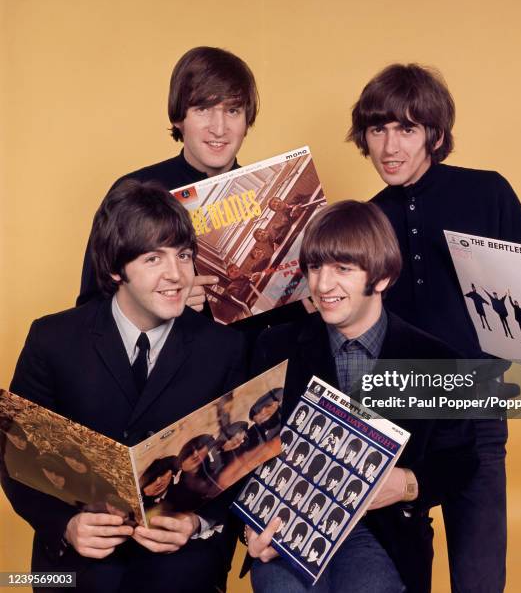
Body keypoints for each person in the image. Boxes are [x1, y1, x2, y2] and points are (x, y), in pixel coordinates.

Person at [347, 63, 521, 592]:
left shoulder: (487, 193)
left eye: (407, 128)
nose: (390, 145)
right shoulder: (366, 219)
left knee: (479, 577)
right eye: (378, 129)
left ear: (434, 134)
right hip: (393, 416)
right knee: (399, 575)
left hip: (475, 408)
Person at [1, 182, 246, 593]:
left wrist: (197, 523)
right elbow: (14, 456)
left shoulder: (225, 347)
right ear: (117, 269)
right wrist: (67, 526)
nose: (176, 275)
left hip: (180, 569)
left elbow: (240, 463)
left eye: (183, 255)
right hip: (73, 569)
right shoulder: (51, 338)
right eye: (153, 258)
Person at [245, 201, 478, 593]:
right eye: (316, 267)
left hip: (382, 531)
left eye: (343, 269)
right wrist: (252, 524)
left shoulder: (434, 359)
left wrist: (406, 483)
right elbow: (249, 451)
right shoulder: (275, 347)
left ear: (382, 277)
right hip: (290, 526)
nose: (322, 285)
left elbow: (460, 461)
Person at [77, 46, 305, 340]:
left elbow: (286, 320)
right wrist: (162, 301)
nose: (219, 128)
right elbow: (90, 307)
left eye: (233, 110)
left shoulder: (267, 194)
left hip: (246, 370)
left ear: (247, 121)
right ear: (178, 117)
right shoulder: (133, 192)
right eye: (203, 109)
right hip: (162, 374)